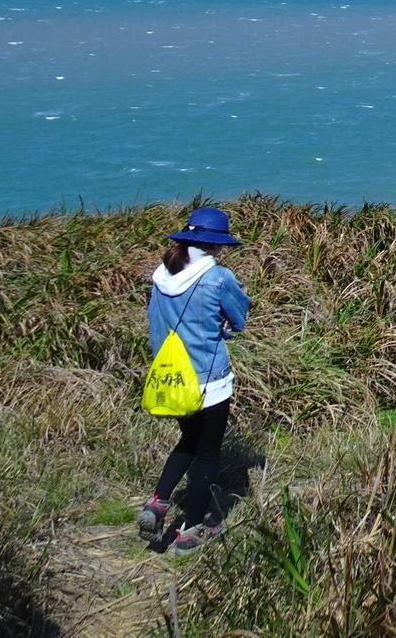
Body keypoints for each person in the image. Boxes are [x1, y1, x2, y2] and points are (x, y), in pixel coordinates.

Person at [137, 207, 250, 556]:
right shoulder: (217, 277)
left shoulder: (161, 275)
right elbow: (240, 318)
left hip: (172, 378)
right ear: (216, 245)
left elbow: (157, 325)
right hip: (209, 382)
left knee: (188, 441)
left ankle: (158, 502)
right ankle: (191, 530)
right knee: (207, 454)